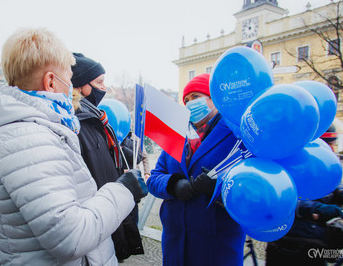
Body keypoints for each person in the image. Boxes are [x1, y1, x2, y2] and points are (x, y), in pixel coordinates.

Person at [0, 28, 147, 266]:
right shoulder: (26, 138)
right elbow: (71, 237)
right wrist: (125, 190)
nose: (71, 88)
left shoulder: (36, 129)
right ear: (50, 81)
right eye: (69, 79)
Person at [147, 73, 246, 265]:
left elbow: (249, 186)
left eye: (196, 97)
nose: (190, 103)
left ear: (213, 98)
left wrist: (218, 189)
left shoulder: (236, 133)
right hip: (175, 243)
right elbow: (154, 178)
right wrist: (174, 185)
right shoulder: (177, 133)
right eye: (186, 100)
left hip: (216, 247)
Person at [71, 52, 144, 261]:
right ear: (80, 85)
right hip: (95, 225)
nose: (104, 87)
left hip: (107, 220)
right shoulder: (77, 124)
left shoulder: (96, 119)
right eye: (99, 81)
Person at [266, 125, 343, 266]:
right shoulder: (291, 162)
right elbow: (282, 198)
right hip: (291, 241)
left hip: (318, 237)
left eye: (334, 144)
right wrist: (317, 209)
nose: (332, 149)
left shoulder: (324, 164)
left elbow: (334, 187)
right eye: (329, 144)